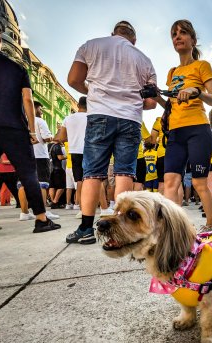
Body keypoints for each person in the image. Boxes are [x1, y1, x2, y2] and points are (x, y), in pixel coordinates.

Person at [66, 20, 157, 244]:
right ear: (133, 40)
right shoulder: (144, 59)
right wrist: (134, 102)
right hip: (131, 119)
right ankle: (122, 228)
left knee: (93, 173)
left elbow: (73, 79)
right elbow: (152, 102)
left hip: (100, 115)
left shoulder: (92, 45)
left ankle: (86, 229)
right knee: (124, 172)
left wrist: (94, 92)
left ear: (113, 33)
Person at [0, 19, 60, 238]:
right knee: (29, 174)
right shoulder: (16, 67)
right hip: (13, 127)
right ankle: (40, 218)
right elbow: (28, 100)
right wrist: (31, 130)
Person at [153, 19, 212, 232]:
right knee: (170, 181)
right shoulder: (172, 73)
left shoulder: (201, 66)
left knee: (200, 182)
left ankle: (210, 225)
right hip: (175, 132)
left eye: (183, 33)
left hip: (198, 129)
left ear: (193, 39)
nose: (178, 37)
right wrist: (156, 97)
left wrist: (197, 92)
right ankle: (172, 229)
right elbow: (170, 106)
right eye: (174, 34)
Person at [18, 101, 60, 221]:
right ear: (35, 108)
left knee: (22, 183)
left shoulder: (20, 120)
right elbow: (47, 137)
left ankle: (24, 213)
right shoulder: (39, 121)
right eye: (40, 110)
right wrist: (52, 137)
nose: (41, 112)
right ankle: (44, 212)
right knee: (42, 183)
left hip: (23, 156)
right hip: (40, 155)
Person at [55, 96, 88, 217]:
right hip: (89, 151)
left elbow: (62, 138)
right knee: (92, 179)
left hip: (74, 152)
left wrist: (73, 138)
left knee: (79, 181)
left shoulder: (67, 119)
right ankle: (97, 207)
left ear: (78, 106)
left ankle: (80, 207)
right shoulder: (91, 117)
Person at [48, 139, 67, 209]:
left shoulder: (50, 146)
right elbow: (60, 157)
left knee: (52, 186)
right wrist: (67, 156)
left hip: (51, 169)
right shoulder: (57, 146)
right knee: (61, 187)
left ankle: (53, 201)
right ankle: (55, 201)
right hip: (58, 169)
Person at [150, 117, 166, 194]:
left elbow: (152, 141)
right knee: (178, 183)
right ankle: (177, 205)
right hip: (177, 154)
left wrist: (158, 140)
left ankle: (161, 205)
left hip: (162, 154)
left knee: (162, 182)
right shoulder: (180, 119)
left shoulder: (159, 121)